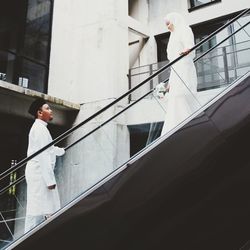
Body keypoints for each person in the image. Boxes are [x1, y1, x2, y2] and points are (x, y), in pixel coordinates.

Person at [24, 98, 65, 232]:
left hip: (39, 173)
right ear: (40, 113)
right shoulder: (40, 129)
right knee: (37, 210)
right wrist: (50, 180)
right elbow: (43, 156)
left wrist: (62, 151)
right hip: (39, 173)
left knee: (42, 208)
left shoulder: (41, 128)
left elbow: (49, 149)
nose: (51, 110)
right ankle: (28, 241)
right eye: (47, 108)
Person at [159, 12, 199, 135]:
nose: (167, 27)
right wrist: (170, 82)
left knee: (181, 95)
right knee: (174, 97)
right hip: (176, 71)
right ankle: (175, 129)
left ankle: (187, 127)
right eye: (166, 24)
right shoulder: (172, 36)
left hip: (184, 67)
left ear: (175, 20)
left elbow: (190, 47)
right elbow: (172, 61)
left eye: (168, 23)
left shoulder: (185, 29)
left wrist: (186, 51)